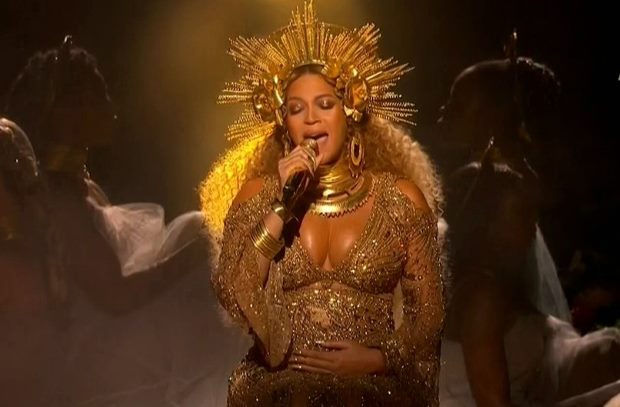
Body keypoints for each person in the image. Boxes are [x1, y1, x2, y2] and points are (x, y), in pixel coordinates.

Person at [200, 1, 445, 405]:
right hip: (278, 390)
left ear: (349, 113)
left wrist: (378, 359)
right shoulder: (258, 197)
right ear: (285, 124)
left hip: (374, 386)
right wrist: (282, 205)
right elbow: (234, 291)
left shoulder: (399, 200)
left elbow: (429, 314)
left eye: (325, 104)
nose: (311, 118)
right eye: (296, 109)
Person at [1, 37, 223, 406]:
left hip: (111, 336)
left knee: (196, 232)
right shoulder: (61, 201)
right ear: (68, 112)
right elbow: (116, 298)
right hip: (100, 361)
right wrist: (193, 255)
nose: (112, 107)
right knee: (200, 254)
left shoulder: (75, 186)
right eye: (99, 94)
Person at [437, 43, 620, 406]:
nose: (443, 114)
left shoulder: (505, 198)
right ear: (488, 220)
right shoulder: (479, 295)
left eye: (457, 103)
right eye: (521, 216)